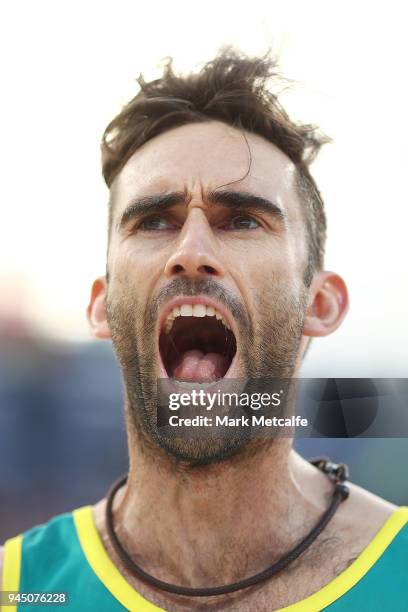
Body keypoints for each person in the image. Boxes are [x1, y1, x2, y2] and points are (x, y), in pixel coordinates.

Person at [1, 50, 407, 612]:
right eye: (154, 221)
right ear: (101, 308)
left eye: (242, 220)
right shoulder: (21, 587)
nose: (190, 253)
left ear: (319, 302)